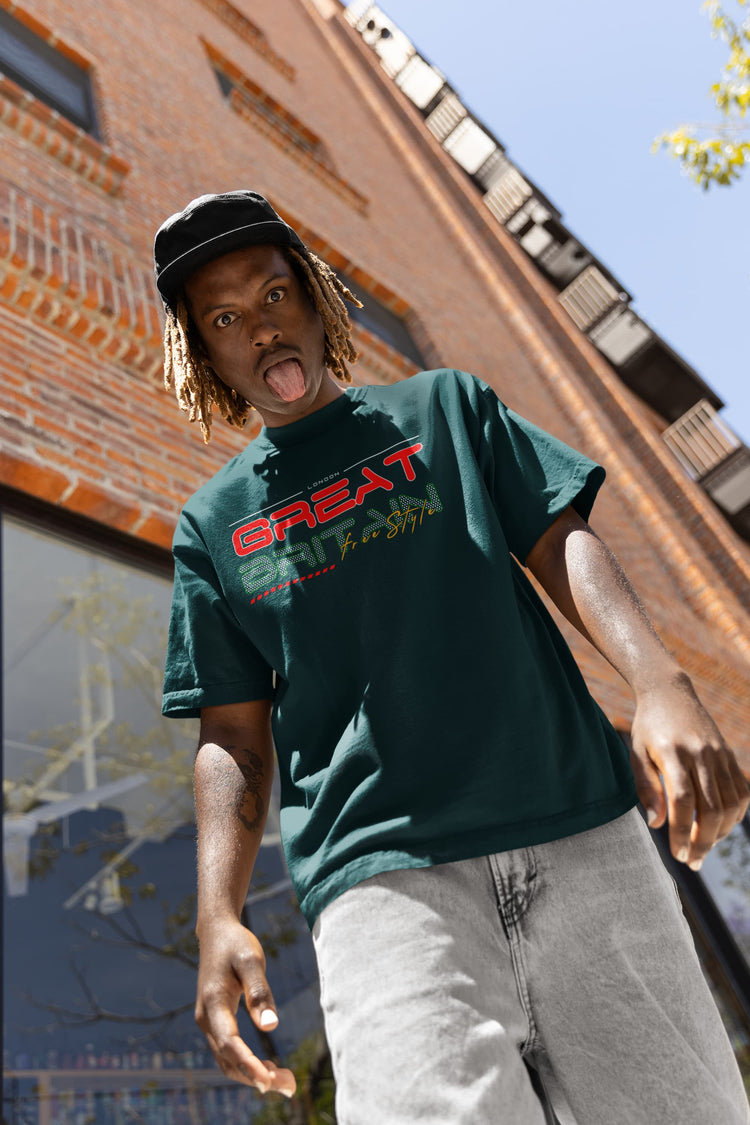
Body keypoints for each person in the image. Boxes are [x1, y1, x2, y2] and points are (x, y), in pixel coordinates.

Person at [155, 190, 750, 1124]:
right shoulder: (213, 523)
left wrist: (661, 680)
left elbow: (560, 537)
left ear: (314, 300)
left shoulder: (445, 406)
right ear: (207, 353)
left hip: (577, 834)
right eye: (226, 319)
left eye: (274, 295)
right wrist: (218, 912)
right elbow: (232, 730)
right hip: (384, 890)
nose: (261, 330)